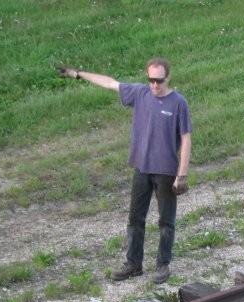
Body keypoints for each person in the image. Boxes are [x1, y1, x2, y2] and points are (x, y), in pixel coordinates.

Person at [57, 59, 192, 283]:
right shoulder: (140, 93)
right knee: (135, 218)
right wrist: (77, 74)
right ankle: (133, 264)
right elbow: (110, 83)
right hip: (141, 168)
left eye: (159, 80)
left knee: (166, 221)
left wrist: (182, 174)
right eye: (151, 80)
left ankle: (162, 265)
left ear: (168, 78)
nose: (155, 85)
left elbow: (186, 138)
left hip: (166, 171)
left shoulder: (178, 103)